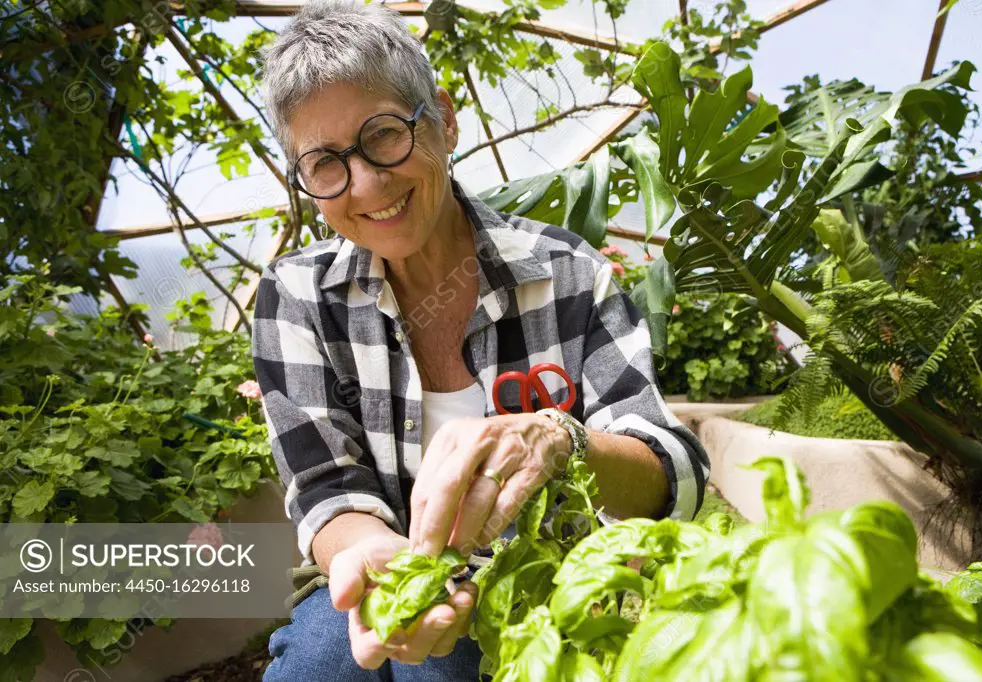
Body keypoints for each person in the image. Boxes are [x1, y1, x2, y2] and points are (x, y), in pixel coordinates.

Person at [252, 1, 709, 679]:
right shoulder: (297, 297)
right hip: (390, 562)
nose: (369, 183)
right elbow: (328, 490)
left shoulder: (566, 274)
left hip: (555, 580)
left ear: (442, 117)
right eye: (325, 164)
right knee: (323, 658)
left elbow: (676, 470)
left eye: (383, 136)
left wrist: (560, 440)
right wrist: (380, 562)